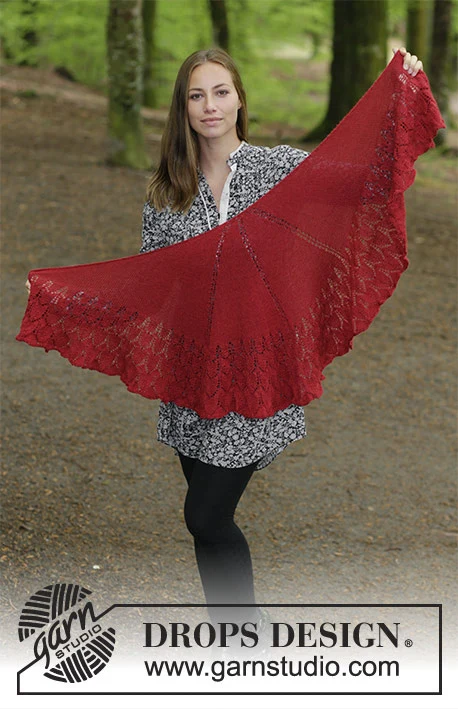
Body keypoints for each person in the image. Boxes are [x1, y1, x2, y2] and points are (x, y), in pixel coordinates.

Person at [24, 45, 423, 656]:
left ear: (239, 100)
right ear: (182, 109)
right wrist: (66, 295)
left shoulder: (279, 169)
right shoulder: (167, 193)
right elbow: (151, 287)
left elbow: (366, 177)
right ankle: (232, 639)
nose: (209, 106)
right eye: (196, 95)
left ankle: (245, 639)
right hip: (193, 381)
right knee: (208, 525)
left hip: (258, 375)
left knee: (205, 516)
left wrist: (400, 94)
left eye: (220, 92)